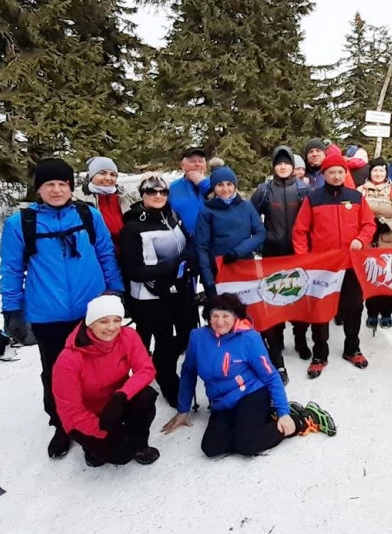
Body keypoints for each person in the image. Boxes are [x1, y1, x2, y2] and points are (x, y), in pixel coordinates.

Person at [0, 158, 123, 459]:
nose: (56, 190)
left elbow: (106, 255)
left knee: (99, 367)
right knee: (56, 371)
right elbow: (12, 269)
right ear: (39, 189)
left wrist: (116, 292)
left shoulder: (88, 215)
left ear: (70, 187)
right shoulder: (20, 224)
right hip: (47, 313)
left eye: (62, 184)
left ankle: (103, 412)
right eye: (49, 184)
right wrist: (12, 309)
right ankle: (62, 423)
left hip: (90, 311)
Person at [161, 294, 337, 457]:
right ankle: (264, 420)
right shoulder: (198, 337)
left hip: (251, 393)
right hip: (221, 402)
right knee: (210, 447)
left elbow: (271, 376)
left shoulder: (249, 338)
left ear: (236, 316)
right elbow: (188, 372)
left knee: (247, 445)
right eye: (215, 316)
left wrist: (283, 412)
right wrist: (183, 410)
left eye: (225, 316)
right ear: (208, 316)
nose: (220, 322)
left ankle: (300, 419)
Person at [292, 153, 376, 378]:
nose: (337, 176)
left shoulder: (356, 197)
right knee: (321, 309)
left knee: (353, 308)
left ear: (345, 173)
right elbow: (300, 232)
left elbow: (369, 224)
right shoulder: (313, 198)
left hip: (350, 264)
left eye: (340, 172)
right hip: (323, 267)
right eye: (332, 172)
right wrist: (305, 260)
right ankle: (320, 353)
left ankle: (352, 348)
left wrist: (361, 239)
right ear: (324, 174)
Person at [52, 294, 160, 467]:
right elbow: (70, 412)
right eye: (103, 321)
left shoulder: (128, 337)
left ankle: (139, 445)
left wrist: (122, 395)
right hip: (88, 415)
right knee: (121, 453)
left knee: (145, 396)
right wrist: (104, 430)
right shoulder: (69, 361)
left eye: (117, 320)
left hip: (117, 403)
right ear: (90, 323)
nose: (112, 327)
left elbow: (146, 370)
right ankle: (92, 449)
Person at [119, 174, 197, 408]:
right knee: (162, 340)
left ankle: (162, 367)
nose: (158, 196)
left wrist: (190, 256)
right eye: (152, 192)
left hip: (180, 288)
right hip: (150, 295)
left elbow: (187, 242)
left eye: (162, 192)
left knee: (185, 334)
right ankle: (167, 383)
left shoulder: (172, 216)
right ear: (143, 195)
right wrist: (169, 267)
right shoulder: (133, 226)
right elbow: (132, 269)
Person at [251, 146, 311, 383]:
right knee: (275, 298)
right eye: (279, 163)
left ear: (293, 166)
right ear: (274, 166)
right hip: (273, 253)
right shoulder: (264, 190)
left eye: (287, 163)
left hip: (298, 253)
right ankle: (276, 340)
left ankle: (300, 338)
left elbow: (313, 219)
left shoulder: (303, 189)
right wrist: (260, 239)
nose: (283, 167)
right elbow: (251, 216)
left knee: (298, 297)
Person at [194, 163, 266, 297]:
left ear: (234, 186)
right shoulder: (207, 211)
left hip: (245, 267)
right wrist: (209, 281)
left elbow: (260, 233)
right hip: (220, 271)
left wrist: (237, 252)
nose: (225, 189)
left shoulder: (246, 207)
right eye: (220, 185)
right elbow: (201, 247)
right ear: (214, 187)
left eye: (229, 184)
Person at [358, 157, 392, 328]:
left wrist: (387, 226)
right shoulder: (361, 191)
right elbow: (355, 215)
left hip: (388, 242)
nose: (378, 174)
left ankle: (386, 313)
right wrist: (368, 227)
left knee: (387, 279)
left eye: (381, 171)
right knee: (371, 278)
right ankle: (371, 312)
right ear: (370, 172)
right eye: (375, 170)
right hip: (369, 242)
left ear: (386, 172)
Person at [74, 156, 138, 254]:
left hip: (126, 253)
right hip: (97, 254)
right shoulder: (79, 200)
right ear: (92, 175)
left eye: (113, 174)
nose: (108, 178)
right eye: (102, 173)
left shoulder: (124, 197)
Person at [168, 147, 210, 236]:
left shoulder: (217, 185)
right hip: (187, 241)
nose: (197, 164)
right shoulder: (173, 188)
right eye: (192, 161)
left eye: (201, 161)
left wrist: (204, 184)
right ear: (183, 165)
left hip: (215, 240)